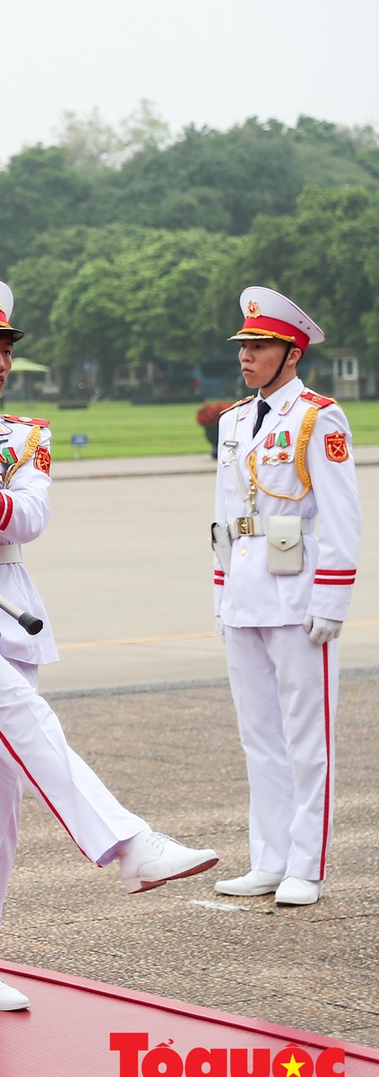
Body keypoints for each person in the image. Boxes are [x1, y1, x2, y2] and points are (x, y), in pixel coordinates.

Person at [0, 280, 219, 1012]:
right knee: (27, 720)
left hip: (10, 608)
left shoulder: (24, 435)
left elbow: (26, 518)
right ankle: (130, 846)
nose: (0, 362)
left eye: (6, 350)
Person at [210, 287, 359, 909]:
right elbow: (223, 512)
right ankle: (269, 859)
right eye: (244, 345)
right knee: (259, 735)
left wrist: (331, 597)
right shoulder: (235, 419)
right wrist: (220, 590)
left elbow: (340, 514)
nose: (247, 356)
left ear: (291, 352)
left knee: (306, 736)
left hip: (297, 593)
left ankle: (306, 864)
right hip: (244, 589)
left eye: (261, 345)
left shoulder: (318, 417)